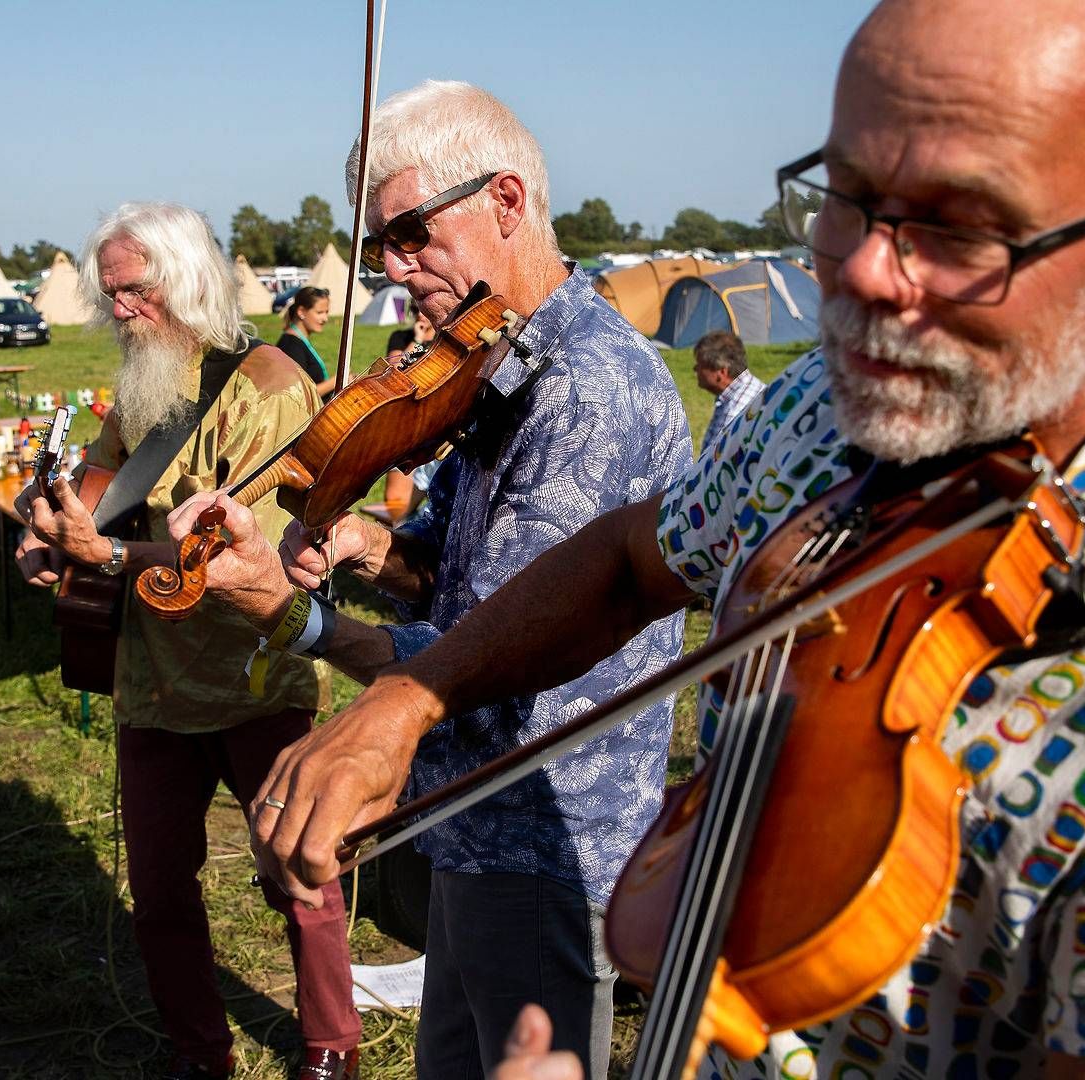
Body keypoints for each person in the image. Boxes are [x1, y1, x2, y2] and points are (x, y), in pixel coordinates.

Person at [249, 4, 1085, 1078]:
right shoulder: (832, 415)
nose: (854, 266)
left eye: (957, 222)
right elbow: (629, 561)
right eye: (845, 194)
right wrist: (413, 699)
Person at [167, 79, 691, 1080]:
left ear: (505, 202)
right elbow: (446, 577)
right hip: (470, 820)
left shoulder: (586, 386)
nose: (395, 271)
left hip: (545, 833)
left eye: (411, 232)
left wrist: (297, 619)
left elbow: (503, 649)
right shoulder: (494, 367)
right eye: (383, 243)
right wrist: (366, 545)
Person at [13, 202, 360, 1080]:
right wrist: (50, 528)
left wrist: (113, 550)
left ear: (189, 281)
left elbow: (255, 559)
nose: (120, 310)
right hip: (154, 687)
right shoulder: (143, 382)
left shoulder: (273, 385)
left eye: (136, 291)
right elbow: (98, 487)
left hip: (253, 679)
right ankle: (200, 1053)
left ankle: (330, 1047)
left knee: (301, 874)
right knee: (161, 893)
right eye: (112, 293)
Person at [382, 309, 440, 522]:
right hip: (404, 424)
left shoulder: (445, 340)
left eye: (423, 310)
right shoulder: (401, 337)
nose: (420, 315)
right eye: (415, 310)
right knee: (395, 505)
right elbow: (393, 373)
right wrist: (417, 341)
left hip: (434, 422)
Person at [690, 330, 763, 446]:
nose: (695, 369)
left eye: (700, 365)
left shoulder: (736, 408)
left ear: (722, 372)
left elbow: (716, 460)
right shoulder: (748, 388)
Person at [276, 286, 335, 398]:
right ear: (301, 312)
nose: (325, 318)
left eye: (326, 312)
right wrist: (334, 382)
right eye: (319, 312)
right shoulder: (291, 346)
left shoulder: (299, 341)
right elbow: (299, 395)